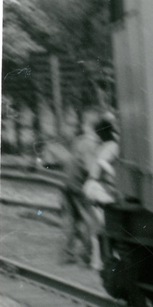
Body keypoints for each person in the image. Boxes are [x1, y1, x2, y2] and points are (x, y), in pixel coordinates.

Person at [80, 116, 119, 272]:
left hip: (89, 186)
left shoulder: (102, 146)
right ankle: (111, 259)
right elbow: (103, 162)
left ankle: (96, 262)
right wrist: (115, 176)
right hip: (97, 188)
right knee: (112, 223)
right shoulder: (113, 146)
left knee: (98, 228)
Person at [60, 120, 102, 265]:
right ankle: (87, 255)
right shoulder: (90, 144)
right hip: (78, 186)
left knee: (72, 220)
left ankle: (68, 254)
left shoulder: (79, 140)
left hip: (68, 183)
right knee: (90, 220)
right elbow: (91, 169)